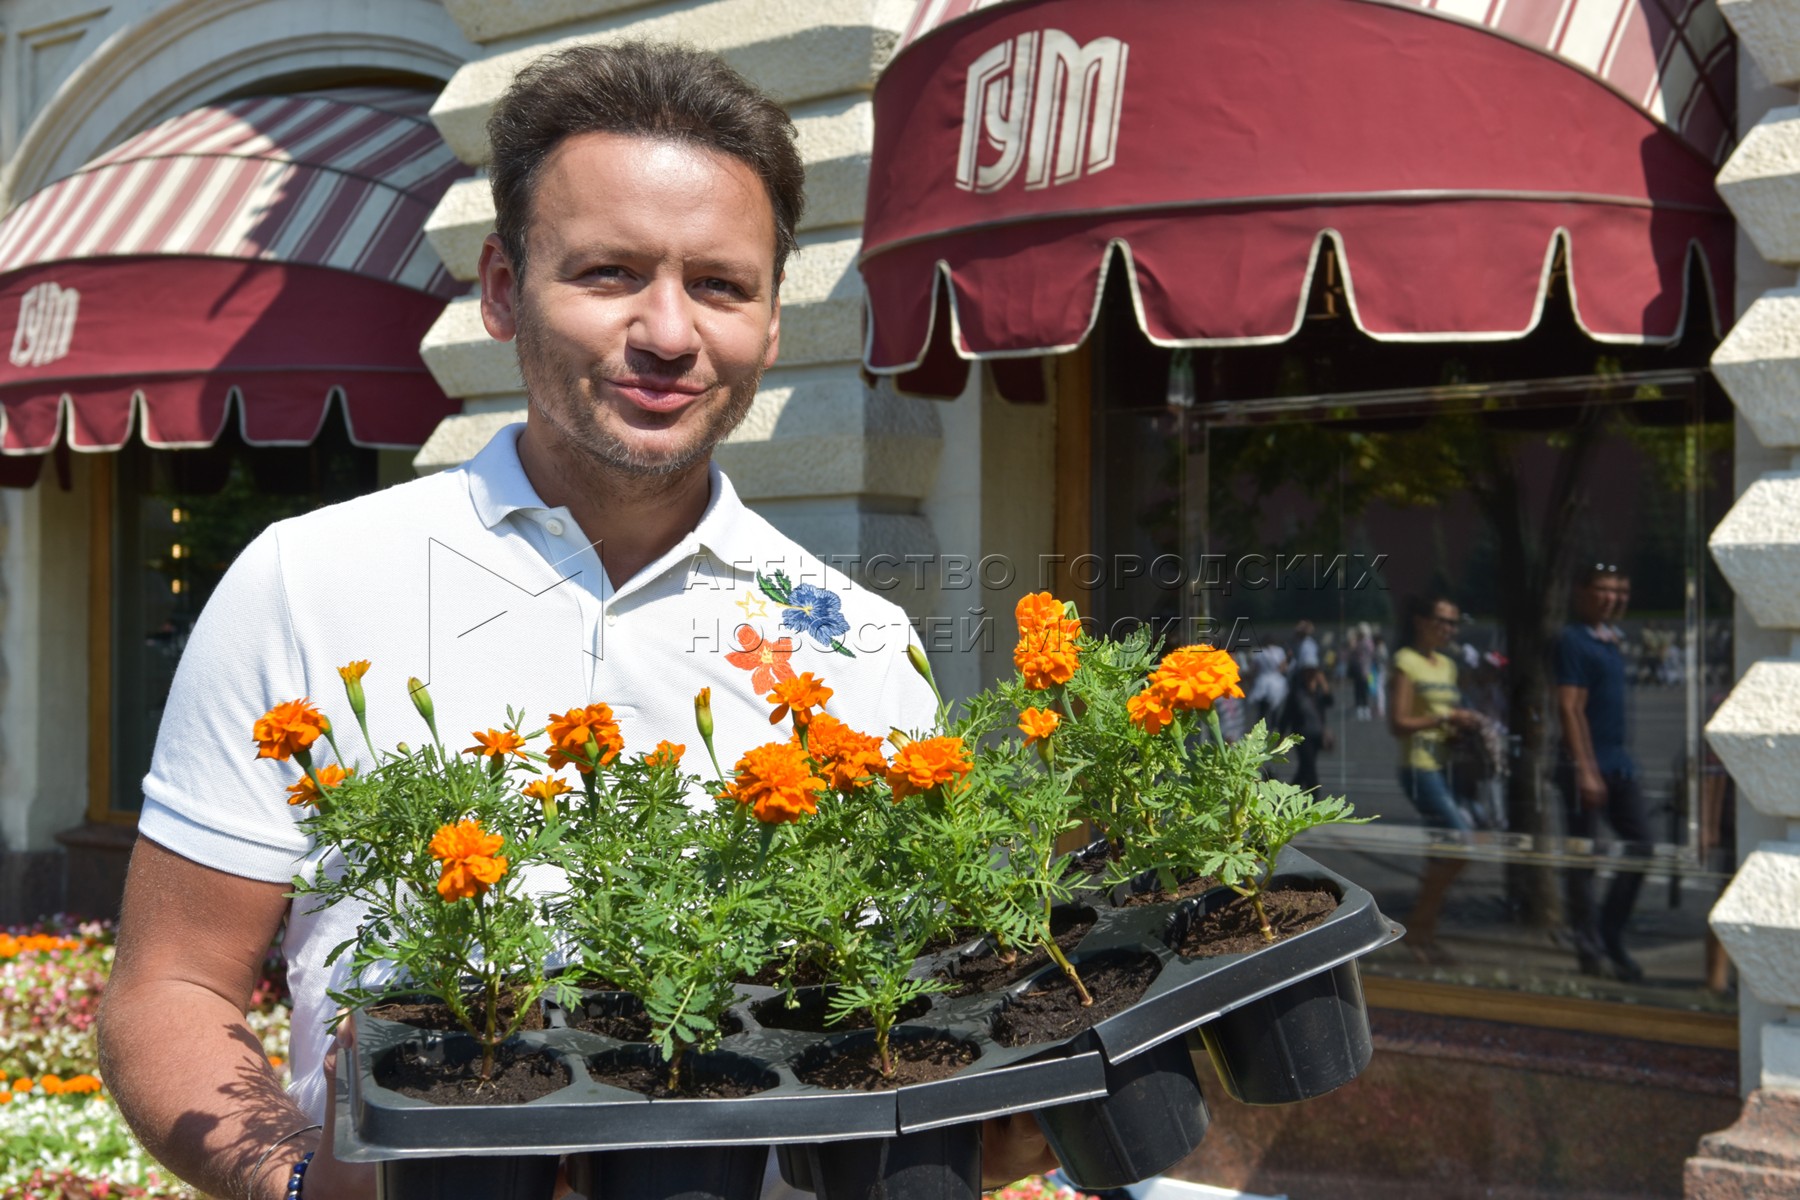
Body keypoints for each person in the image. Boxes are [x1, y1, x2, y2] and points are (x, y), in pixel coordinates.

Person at [95, 43, 1057, 1200]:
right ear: (502, 288)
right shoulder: (313, 579)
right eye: (608, 273)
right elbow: (173, 987)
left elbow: (912, 1031)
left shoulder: (853, 644)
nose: (668, 330)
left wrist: (1016, 1118)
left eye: (720, 284)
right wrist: (301, 1184)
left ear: (770, 317)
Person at [1555, 565, 1650, 983]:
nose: (1613, 597)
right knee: (1584, 860)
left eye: (1620, 590)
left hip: (1618, 763)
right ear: (1581, 591)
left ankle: (1609, 932)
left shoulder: (1612, 640)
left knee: (1642, 847)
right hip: (1587, 766)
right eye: (1604, 589)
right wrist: (1587, 771)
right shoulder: (1573, 640)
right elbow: (1570, 708)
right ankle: (1589, 945)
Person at [1388, 595, 1480, 964]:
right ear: (1421, 621)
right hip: (1419, 766)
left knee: (1444, 852)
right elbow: (1398, 723)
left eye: (1454, 623)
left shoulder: (1447, 665)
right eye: (1443, 621)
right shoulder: (1405, 662)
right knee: (1461, 844)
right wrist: (1446, 720)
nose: (1449, 629)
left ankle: (1424, 930)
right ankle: (1418, 923)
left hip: (1445, 766)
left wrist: (1459, 728)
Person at [1276, 665, 1333, 792]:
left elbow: (1330, 701)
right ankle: (1313, 794)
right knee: (1309, 768)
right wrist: (1281, 734)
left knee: (1304, 769)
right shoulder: (1297, 694)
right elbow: (1286, 715)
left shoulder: (1318, 693)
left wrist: (1324, 684)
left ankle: (1290, 795)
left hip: (1317, 735)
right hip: (1302, 736)